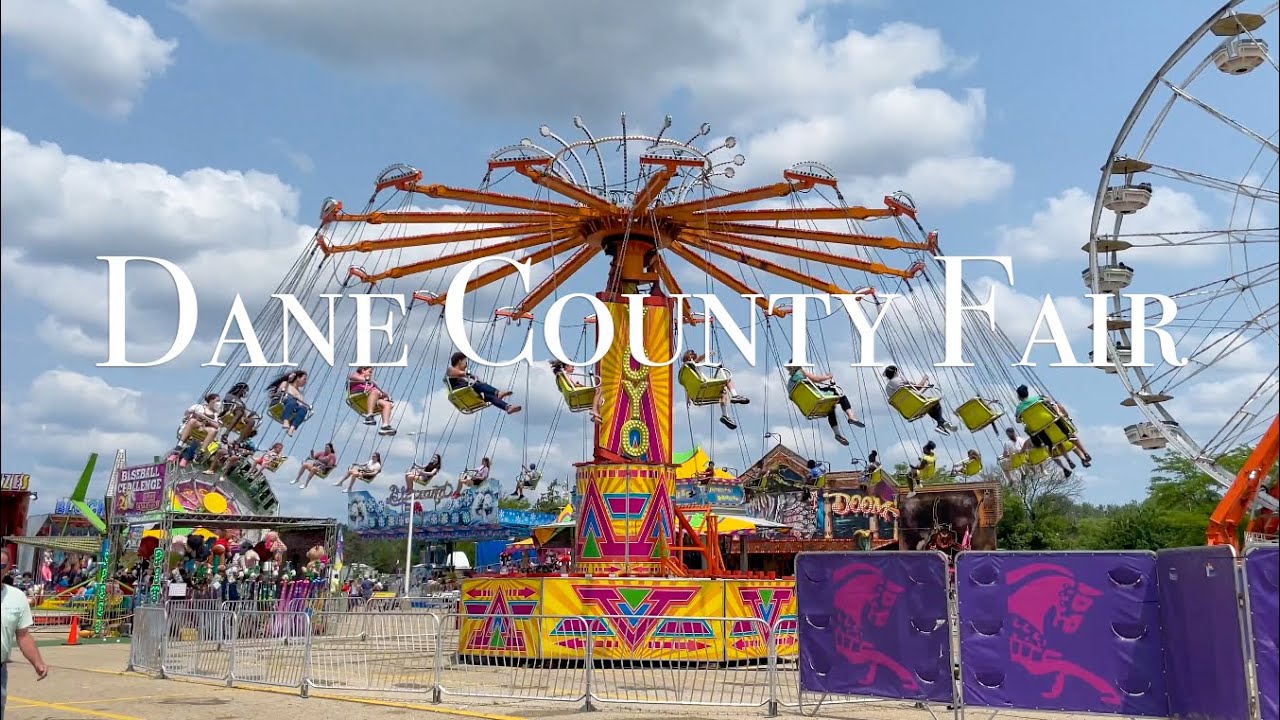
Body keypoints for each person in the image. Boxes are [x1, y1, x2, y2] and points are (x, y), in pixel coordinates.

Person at [2, 546, 48, 715]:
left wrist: (37, 662)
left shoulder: (17, 597)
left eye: (1, 566)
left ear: (8, 568)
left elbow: (23, 635)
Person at [784, 364, 864, 446]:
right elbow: (817, 379)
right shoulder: (800, 372)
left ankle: (837, 434)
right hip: (817, 396)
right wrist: (828, 376)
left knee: (830, 407)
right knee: (841, 396)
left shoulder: (789, 385)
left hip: (808, 407)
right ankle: (851, 417)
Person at [681, 350, 749, 430]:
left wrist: (688, 399)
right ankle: (735, 395)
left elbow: (687, 388)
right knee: (727, 379)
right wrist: (706, 354)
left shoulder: (686, 372)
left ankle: (725, 416)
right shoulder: (691, 365)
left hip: (699, 393)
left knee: (723, 392)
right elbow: (699, 359)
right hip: (703, 386)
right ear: (690, 357)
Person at [882, 365, 958, 435]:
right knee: (934, 403)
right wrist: (925, 379)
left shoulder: (887, 388)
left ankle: (942, 423)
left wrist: (926, 386)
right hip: (917, 404)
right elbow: (918, 387)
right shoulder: (899, 379)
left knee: (929, 406)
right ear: (895, 372)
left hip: (908, 411)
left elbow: (911, 393)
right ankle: (941, 424)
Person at [447, 352, 521, 414]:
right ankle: (498, 393)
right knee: (478, 385)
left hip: (467, 392)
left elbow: (462, 374)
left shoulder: (459, 376)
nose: (466, 365)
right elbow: (460, 373)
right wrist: (471, 375)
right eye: (465, 362)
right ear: (460, 361)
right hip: (462, 390)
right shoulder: (450, 370)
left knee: (489, 396)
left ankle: (508, 407)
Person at [171, 393, 223, 468]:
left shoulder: (216, 414)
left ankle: (201, 452)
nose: (219, 403)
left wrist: (207, 420)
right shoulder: (199, 407)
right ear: (211, 401)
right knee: (192, 421)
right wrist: (195, 414)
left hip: (204, 431)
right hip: (195, 427)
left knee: (214, 431)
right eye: (217, 401)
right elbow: (187, 413)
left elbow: (217, 426)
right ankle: (180, 445)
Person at [348, 366, 397, 436]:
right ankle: (369, 416)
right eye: (369, 372)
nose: (371, 374)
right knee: (375, 392)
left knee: (387, 404)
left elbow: (378, 391)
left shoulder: (371, 383)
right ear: (363, 370)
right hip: (359, 395)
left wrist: (384, 395)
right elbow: (351, 376)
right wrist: (366, 379)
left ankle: (385, 426)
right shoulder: (356, 375)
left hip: (370, 398)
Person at [273, 370, 311, 437]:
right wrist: (288, 381)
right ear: (298, 378)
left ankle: (292, 428)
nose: (305, 382)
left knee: (304, 409)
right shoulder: (286, 383)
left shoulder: (300, 395)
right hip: (281, 403)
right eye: (304, 379)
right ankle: (285, 420)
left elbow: (300, 405)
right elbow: (279, 392)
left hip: (291, 406)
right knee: (292, 401)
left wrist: (300, 402)